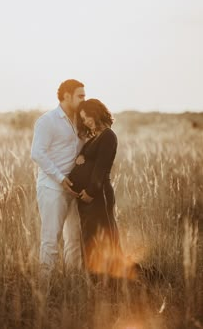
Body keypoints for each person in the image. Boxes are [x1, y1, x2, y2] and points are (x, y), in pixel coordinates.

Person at [69, 99, 136, 282]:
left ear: (97, 112)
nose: (86, 121)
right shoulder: (95, 137)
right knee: (90, 238)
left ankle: (116, 279)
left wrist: (90, 192)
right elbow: (88, 158)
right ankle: (98, 280)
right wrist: (81, 157)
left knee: (104, 237)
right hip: (87, 198)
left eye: (88, 117)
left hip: (98, 196)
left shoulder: (108, 136)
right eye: (83, 119)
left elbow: (101, 167)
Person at [31, 79, 85, 277]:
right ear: (66, 96)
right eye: (80, 96)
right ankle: (45, 289)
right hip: (53, 189)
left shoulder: (81, 120)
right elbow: (37, 153)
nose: (84, 100)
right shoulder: (47, 121)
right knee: (51, 239)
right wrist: (60, 178)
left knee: (75, 239)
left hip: (76, 190)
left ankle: (71, 284)